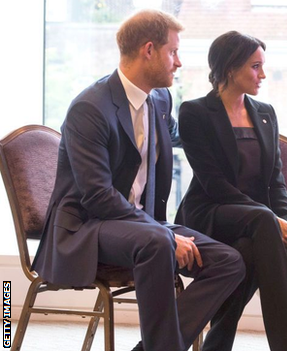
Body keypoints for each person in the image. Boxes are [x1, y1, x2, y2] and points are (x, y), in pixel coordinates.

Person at [31, 10, 245, 351]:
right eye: (173, 52)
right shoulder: (90, 108)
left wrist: (236, 123)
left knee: (229, 262)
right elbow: (98, 197)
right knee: (157, 243)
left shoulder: (159, 99)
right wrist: (160, 232)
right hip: (88, 226)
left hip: (140, 223)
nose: (178, 62)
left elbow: (183, 137)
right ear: (149, 50)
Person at [174, 31, 287, 351]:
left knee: (247, 252)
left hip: (255, 223)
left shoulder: (265, 112)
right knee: (262, 222)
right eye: (255, 66)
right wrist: (271, 219)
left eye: (262, 66)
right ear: (231, 68)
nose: (262, 75)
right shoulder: (194, 112)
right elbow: (214, 184)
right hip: (210, 212)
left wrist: (286, 220)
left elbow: (275, 180)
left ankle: (215, 346)